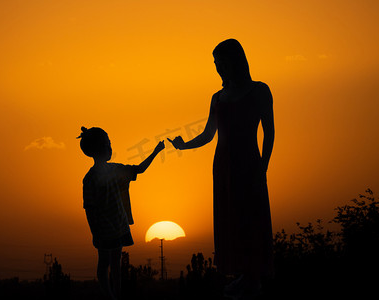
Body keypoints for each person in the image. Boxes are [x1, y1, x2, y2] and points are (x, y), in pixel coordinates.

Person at [168, 39, 275, 299]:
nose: (219, 68)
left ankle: (253, 278)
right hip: (224, 164)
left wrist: (263, 167)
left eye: (222, 62)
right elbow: (208, 134)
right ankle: (242, 274)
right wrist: (184, 146)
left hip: (250, 162)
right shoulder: (217, 97)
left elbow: (269, 132)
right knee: (231, 216)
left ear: (236, 61)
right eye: (216, 64)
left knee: (251, 216)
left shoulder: (260, 90)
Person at [78, 126, 164, 300]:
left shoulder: (108, 172)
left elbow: (138, 169)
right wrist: (95, 232)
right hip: (107, 229)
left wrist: (156, 152)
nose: (111, 147)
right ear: (99, 149)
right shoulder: (93, 178)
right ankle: (111, 296)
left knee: (113, 263)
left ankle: (115, 295)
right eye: (108, 144)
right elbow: (90, 209)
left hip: (117, 226)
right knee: (106, 263)